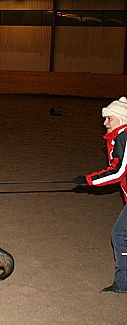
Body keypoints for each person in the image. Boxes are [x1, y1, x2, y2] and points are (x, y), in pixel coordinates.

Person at [73, 96, 127, 294]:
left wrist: (88, 180)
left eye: (109, 119)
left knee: (120, 235)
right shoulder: (121, 137)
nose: (105, 123)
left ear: (120, 120)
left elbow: (118, 171)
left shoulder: (123, 138)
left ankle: (123, 283)